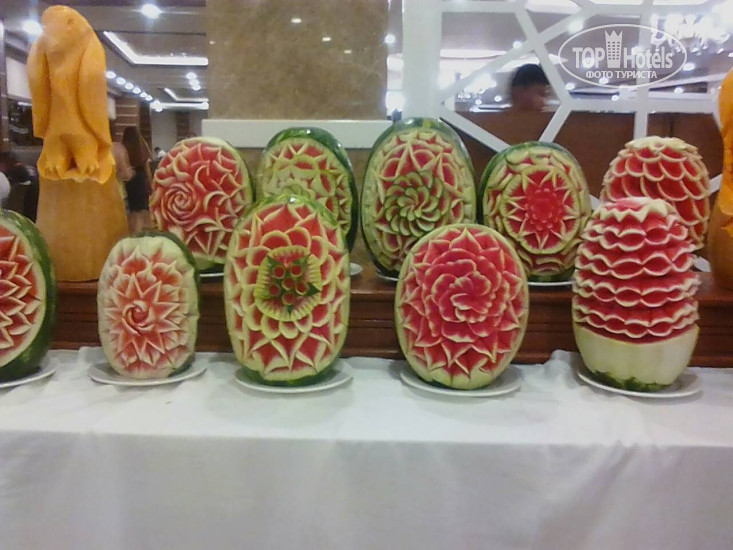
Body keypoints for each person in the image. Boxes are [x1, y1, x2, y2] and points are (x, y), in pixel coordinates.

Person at [122, 126, 153, 233]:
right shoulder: (143, 147)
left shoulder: (125, 148)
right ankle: (143, 232)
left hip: (130, 181)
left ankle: (135, 233)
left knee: (133, 211)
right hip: (141, 179)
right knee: (142, 211)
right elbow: (147, 169)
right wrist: (150, 184)